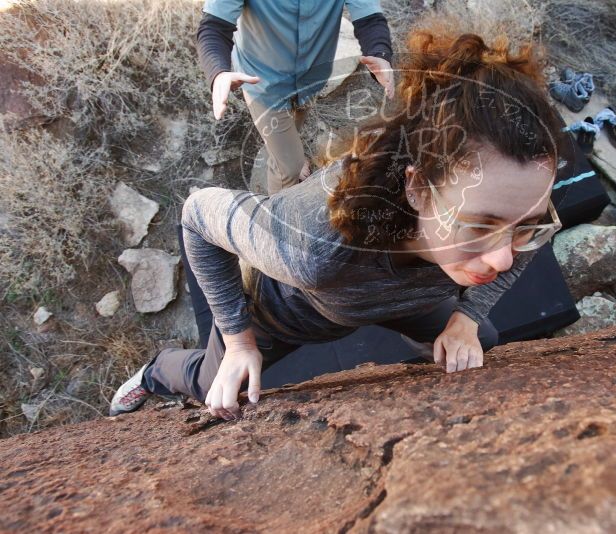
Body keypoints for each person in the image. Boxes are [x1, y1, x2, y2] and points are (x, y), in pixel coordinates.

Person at [109, 29, 566, 420]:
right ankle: (156, 371)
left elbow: (521, 245)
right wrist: (237, 339)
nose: (504, 256)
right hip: (287, 311)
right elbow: (197, 213)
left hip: (394, 298)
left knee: (478, 338)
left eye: (524, 226)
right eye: (480, 225)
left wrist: (468, 316)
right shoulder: (310, 248)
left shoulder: (503, 216)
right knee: (217, 385)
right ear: (418, 189)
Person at [197, 0, 395, 195]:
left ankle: (287, 151)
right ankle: (278, 217)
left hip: (312, 78)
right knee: (288, 169)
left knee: (295, 125)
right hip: (264, 85)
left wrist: (379, 52)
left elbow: (369, 18)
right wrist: (218, 72)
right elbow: (214, 26)